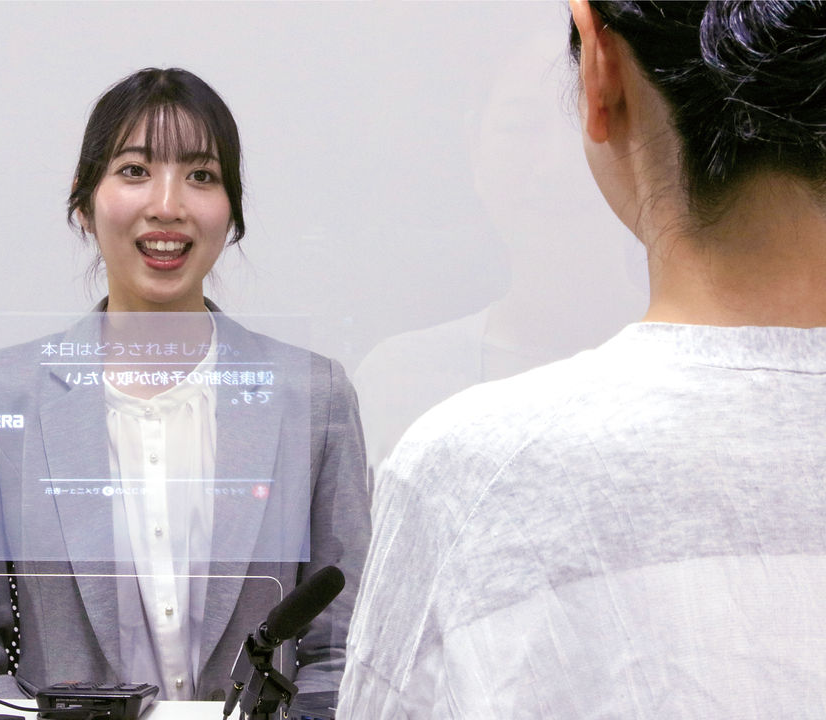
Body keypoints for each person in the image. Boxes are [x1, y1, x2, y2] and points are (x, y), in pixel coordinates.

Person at [339, 1, 826, 717]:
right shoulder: (414, 396)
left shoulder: (470, 475)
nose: (542, 167)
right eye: (516, 130)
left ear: (600, 76)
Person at [0, 68, 369, 713]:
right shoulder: (1, 393)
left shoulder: (313, 395)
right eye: (135, 170)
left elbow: (346, 647)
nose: (168, 204)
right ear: (83, 204)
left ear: (232, 213)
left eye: (201, 176)